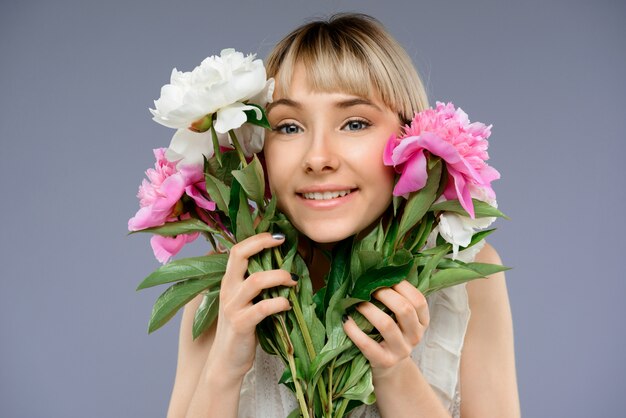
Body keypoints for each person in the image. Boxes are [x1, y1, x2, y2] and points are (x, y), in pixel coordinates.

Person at [166, 13, 520, 418]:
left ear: (412, 139)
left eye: (354, 123)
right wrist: (224, 369)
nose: (318, 158)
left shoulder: (469, 278)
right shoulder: (225, 283)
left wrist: (395, 372)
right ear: (258, 150)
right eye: (289, 127)